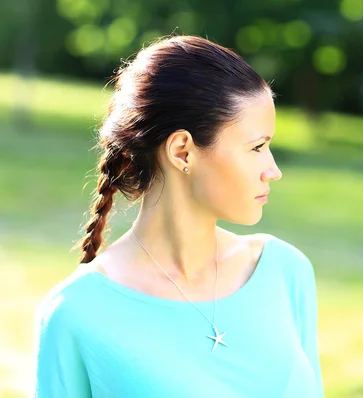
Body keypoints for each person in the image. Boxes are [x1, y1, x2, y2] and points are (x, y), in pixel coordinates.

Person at [32, 35, 324, 398]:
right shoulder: (75, 313)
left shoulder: (284, 271)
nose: (273, 170)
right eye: (257, 148)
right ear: (183, 151)